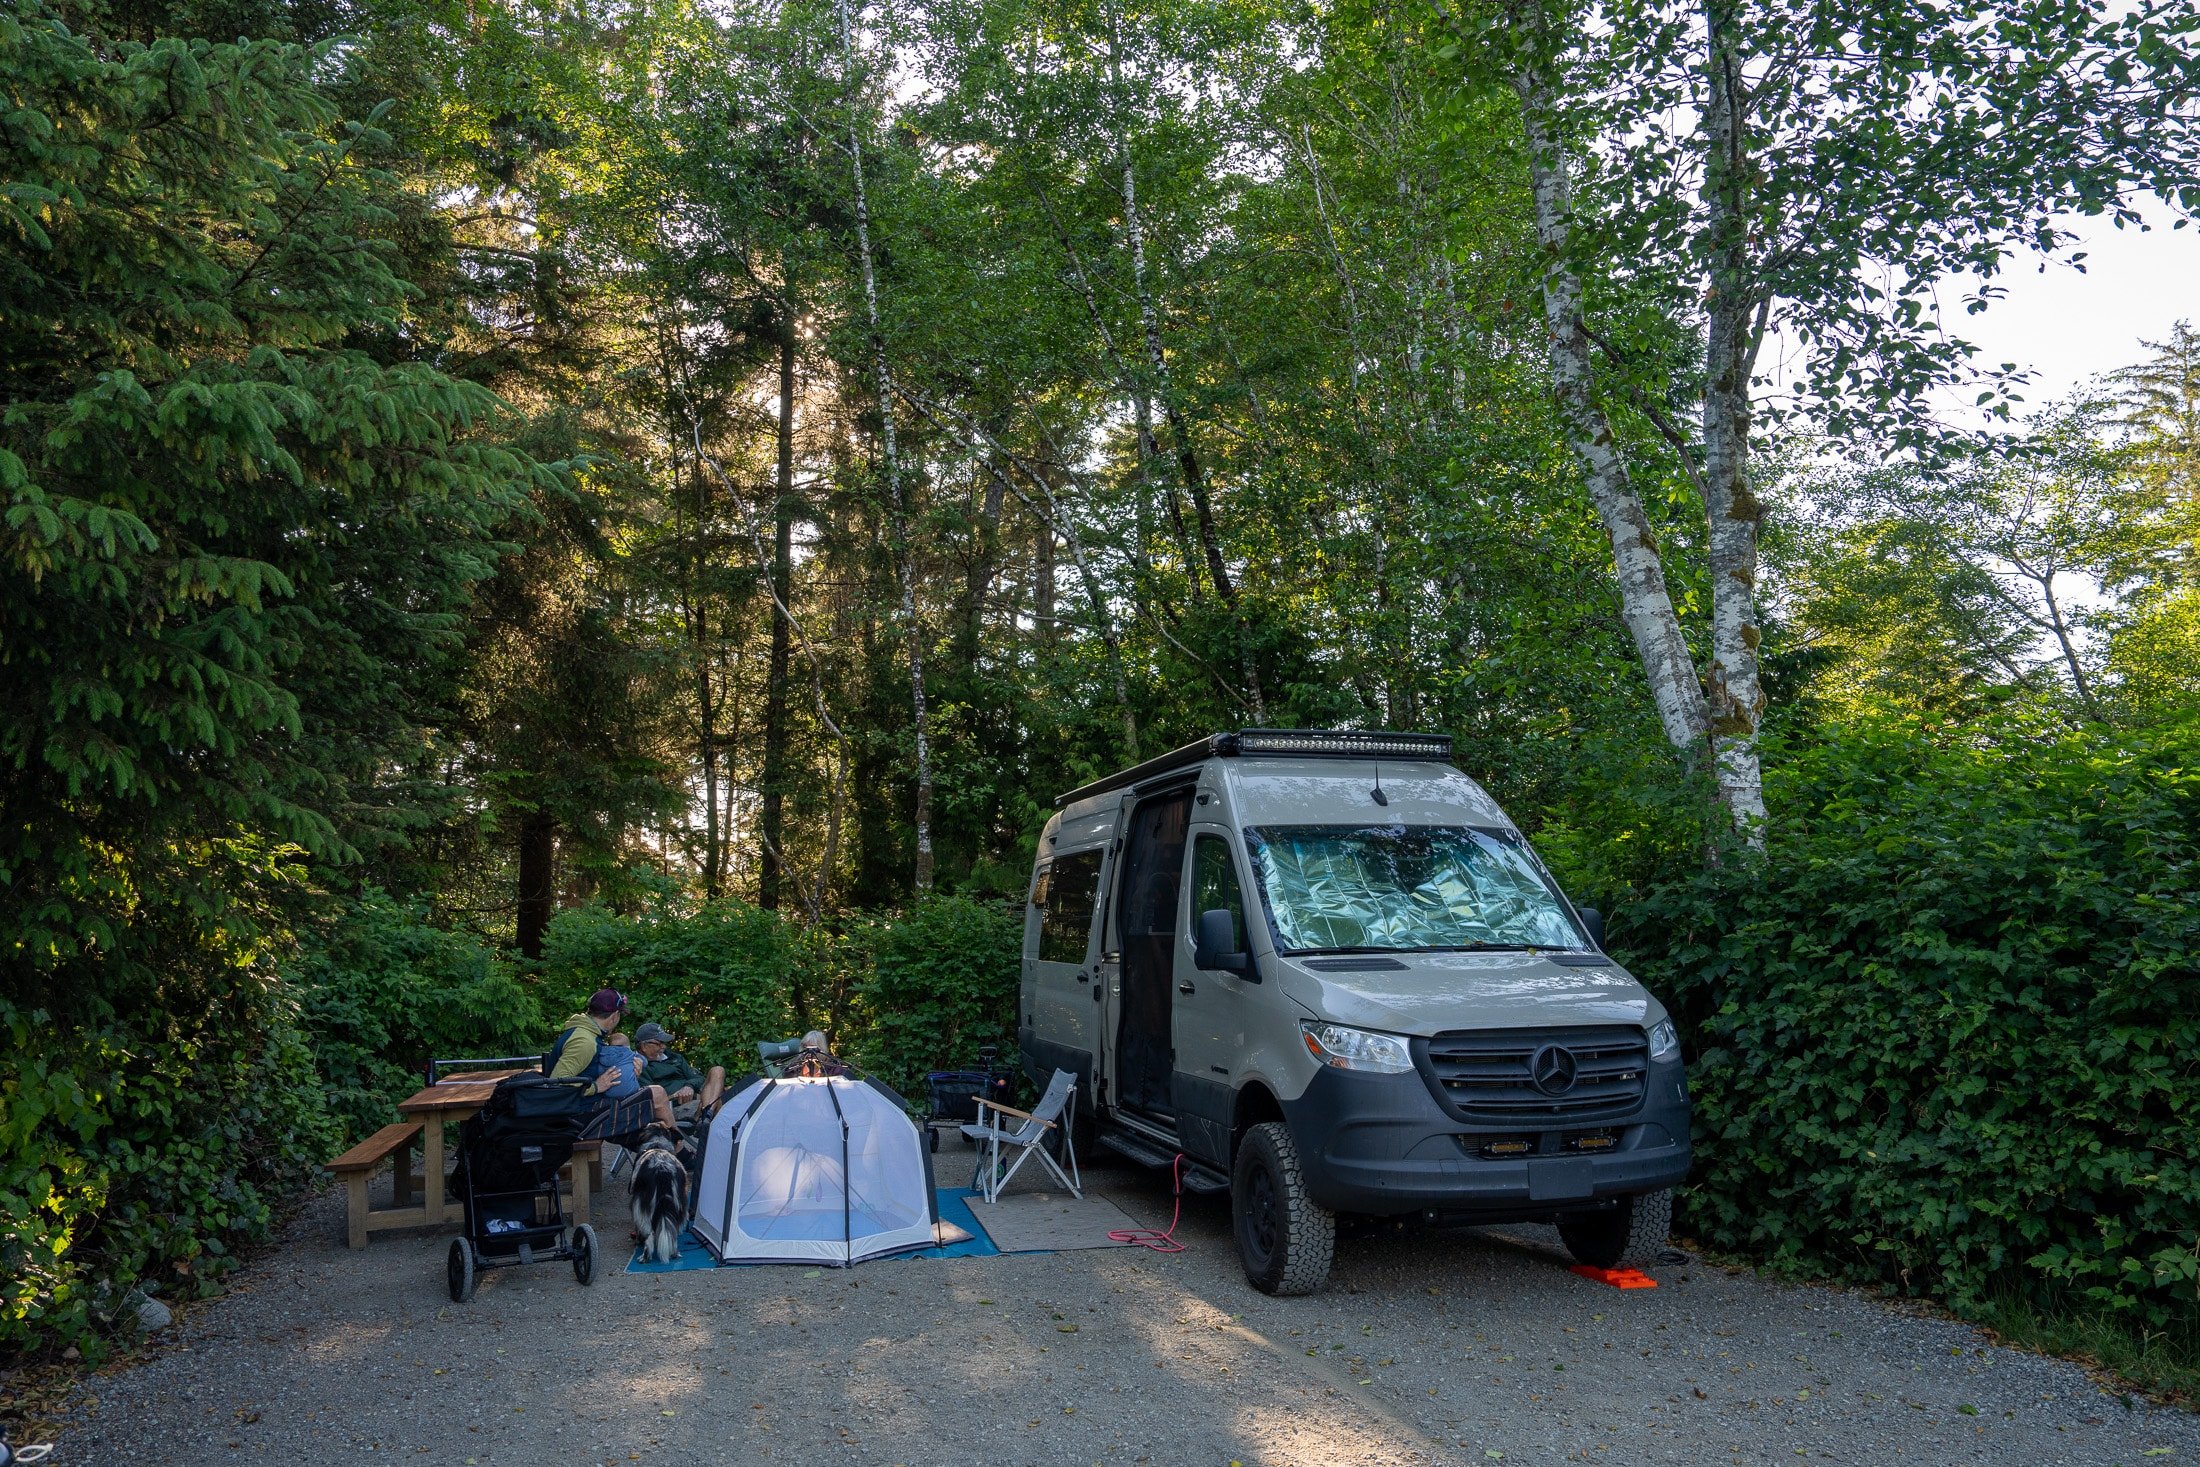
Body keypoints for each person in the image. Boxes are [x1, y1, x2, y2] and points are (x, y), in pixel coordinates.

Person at [547, 988, 678, 1140]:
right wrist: (595, 1086)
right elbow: (557, 1084)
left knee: (649, 1131)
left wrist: (629, 1070)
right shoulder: (584, 1041)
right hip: (576, 1117)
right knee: (657, 1095)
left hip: (582, 1108)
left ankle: (668, 1150)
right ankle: (680, 1150)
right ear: (615, 1016)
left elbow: (587, 1070)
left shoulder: (587, 1033)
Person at [632, 1022, 725, 1121]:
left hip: (700, 1100)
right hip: (676, 1107)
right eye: (659, 1043)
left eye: (664, 1043)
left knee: (718, 1070)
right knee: (719, 1103)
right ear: (643, 1046)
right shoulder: (638, 1067)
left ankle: (706, 1117)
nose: (663, 1047)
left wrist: (689, 1086)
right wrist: (676, 1095)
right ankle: (706, 1117)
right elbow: (651, 1101)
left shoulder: (674, 1057)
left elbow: (699, 1079)